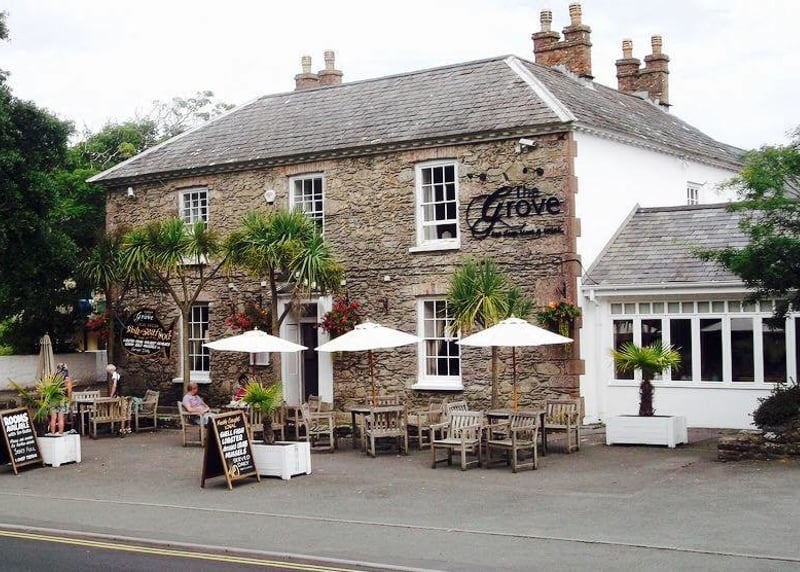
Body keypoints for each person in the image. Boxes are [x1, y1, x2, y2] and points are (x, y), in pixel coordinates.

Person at [49, 363, 73, 435]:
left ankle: (52, 433)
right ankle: (60, 433)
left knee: (53, 418)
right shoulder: (67, 378)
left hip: (53, 399)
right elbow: (69, 390)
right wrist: (69, 399)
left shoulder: (53, 377)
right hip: (61, 399)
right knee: (61, 418)